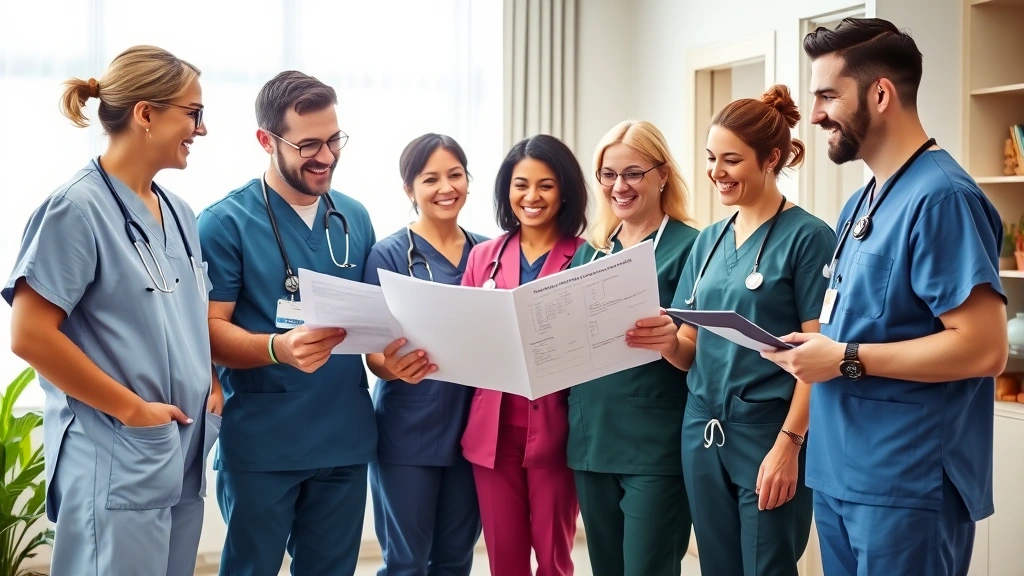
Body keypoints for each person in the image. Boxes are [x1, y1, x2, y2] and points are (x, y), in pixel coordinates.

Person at [762, 18, 1008, 576]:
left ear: (880, 93)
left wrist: (846, 357)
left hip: (905, 483)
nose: (816, 112)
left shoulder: (943, 198)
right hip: (840, 473)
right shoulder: (860, 205)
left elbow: (984, 348)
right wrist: (813, 347)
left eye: (828, 95)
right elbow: (862, 322)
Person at [5, 46, 214, 576]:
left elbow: (185, 315)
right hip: (119, 450)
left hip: (178, 448)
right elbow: (30, 336)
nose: (202, 130)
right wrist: (132, 410)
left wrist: (210, 384)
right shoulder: (75, 209)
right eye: (192, 113)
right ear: (146, 114)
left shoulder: (179, 213)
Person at [635, 85, 836, 576]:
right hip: (701, 431)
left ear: (771, 159)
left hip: (770, 433)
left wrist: (790, 445)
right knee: (716, 567)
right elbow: (690, 351)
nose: (715, 173)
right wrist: (666, 342)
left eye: (731, 160)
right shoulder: (707, 241)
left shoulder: (809, 238)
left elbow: (821, 357)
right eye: (710, 158)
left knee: (766, 565)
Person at [197, 71, 377, 576]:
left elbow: (373, 323)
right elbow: (208, 331)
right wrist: (278, 348)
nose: (327, 156)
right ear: (266, 140)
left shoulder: (355, 218)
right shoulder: (224, 223)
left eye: (334, 139)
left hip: (343, 436)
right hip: (264, 442)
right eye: (309, 144)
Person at [565, 119, 697, 576]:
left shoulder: (691, 248)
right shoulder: (593, 250)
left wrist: (670, 342)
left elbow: (696, 354)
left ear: (662, 175)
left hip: (654, 444)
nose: (618, 186)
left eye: (633, 173)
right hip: (592, 436)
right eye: (608, 174)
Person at [459, 134, 588, 576]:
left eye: (546, 185)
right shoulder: (483, 258)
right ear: (506, 190)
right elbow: (463, 338)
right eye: (521, 184)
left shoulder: (588, 257)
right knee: (504, 559)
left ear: (565, 190)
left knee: (554, 558)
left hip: (557, 427)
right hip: (493, 431)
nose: (531, 197)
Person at [363, 133, 486, 576]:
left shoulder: (487, 253)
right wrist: (391, 365)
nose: (446, 187)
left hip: (472, 427)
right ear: (409, 190)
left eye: (455, 175)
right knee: (406, 562)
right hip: (408, 429)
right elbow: (372, 353)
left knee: (455, 558)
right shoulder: (390, 254)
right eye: (430, 178)